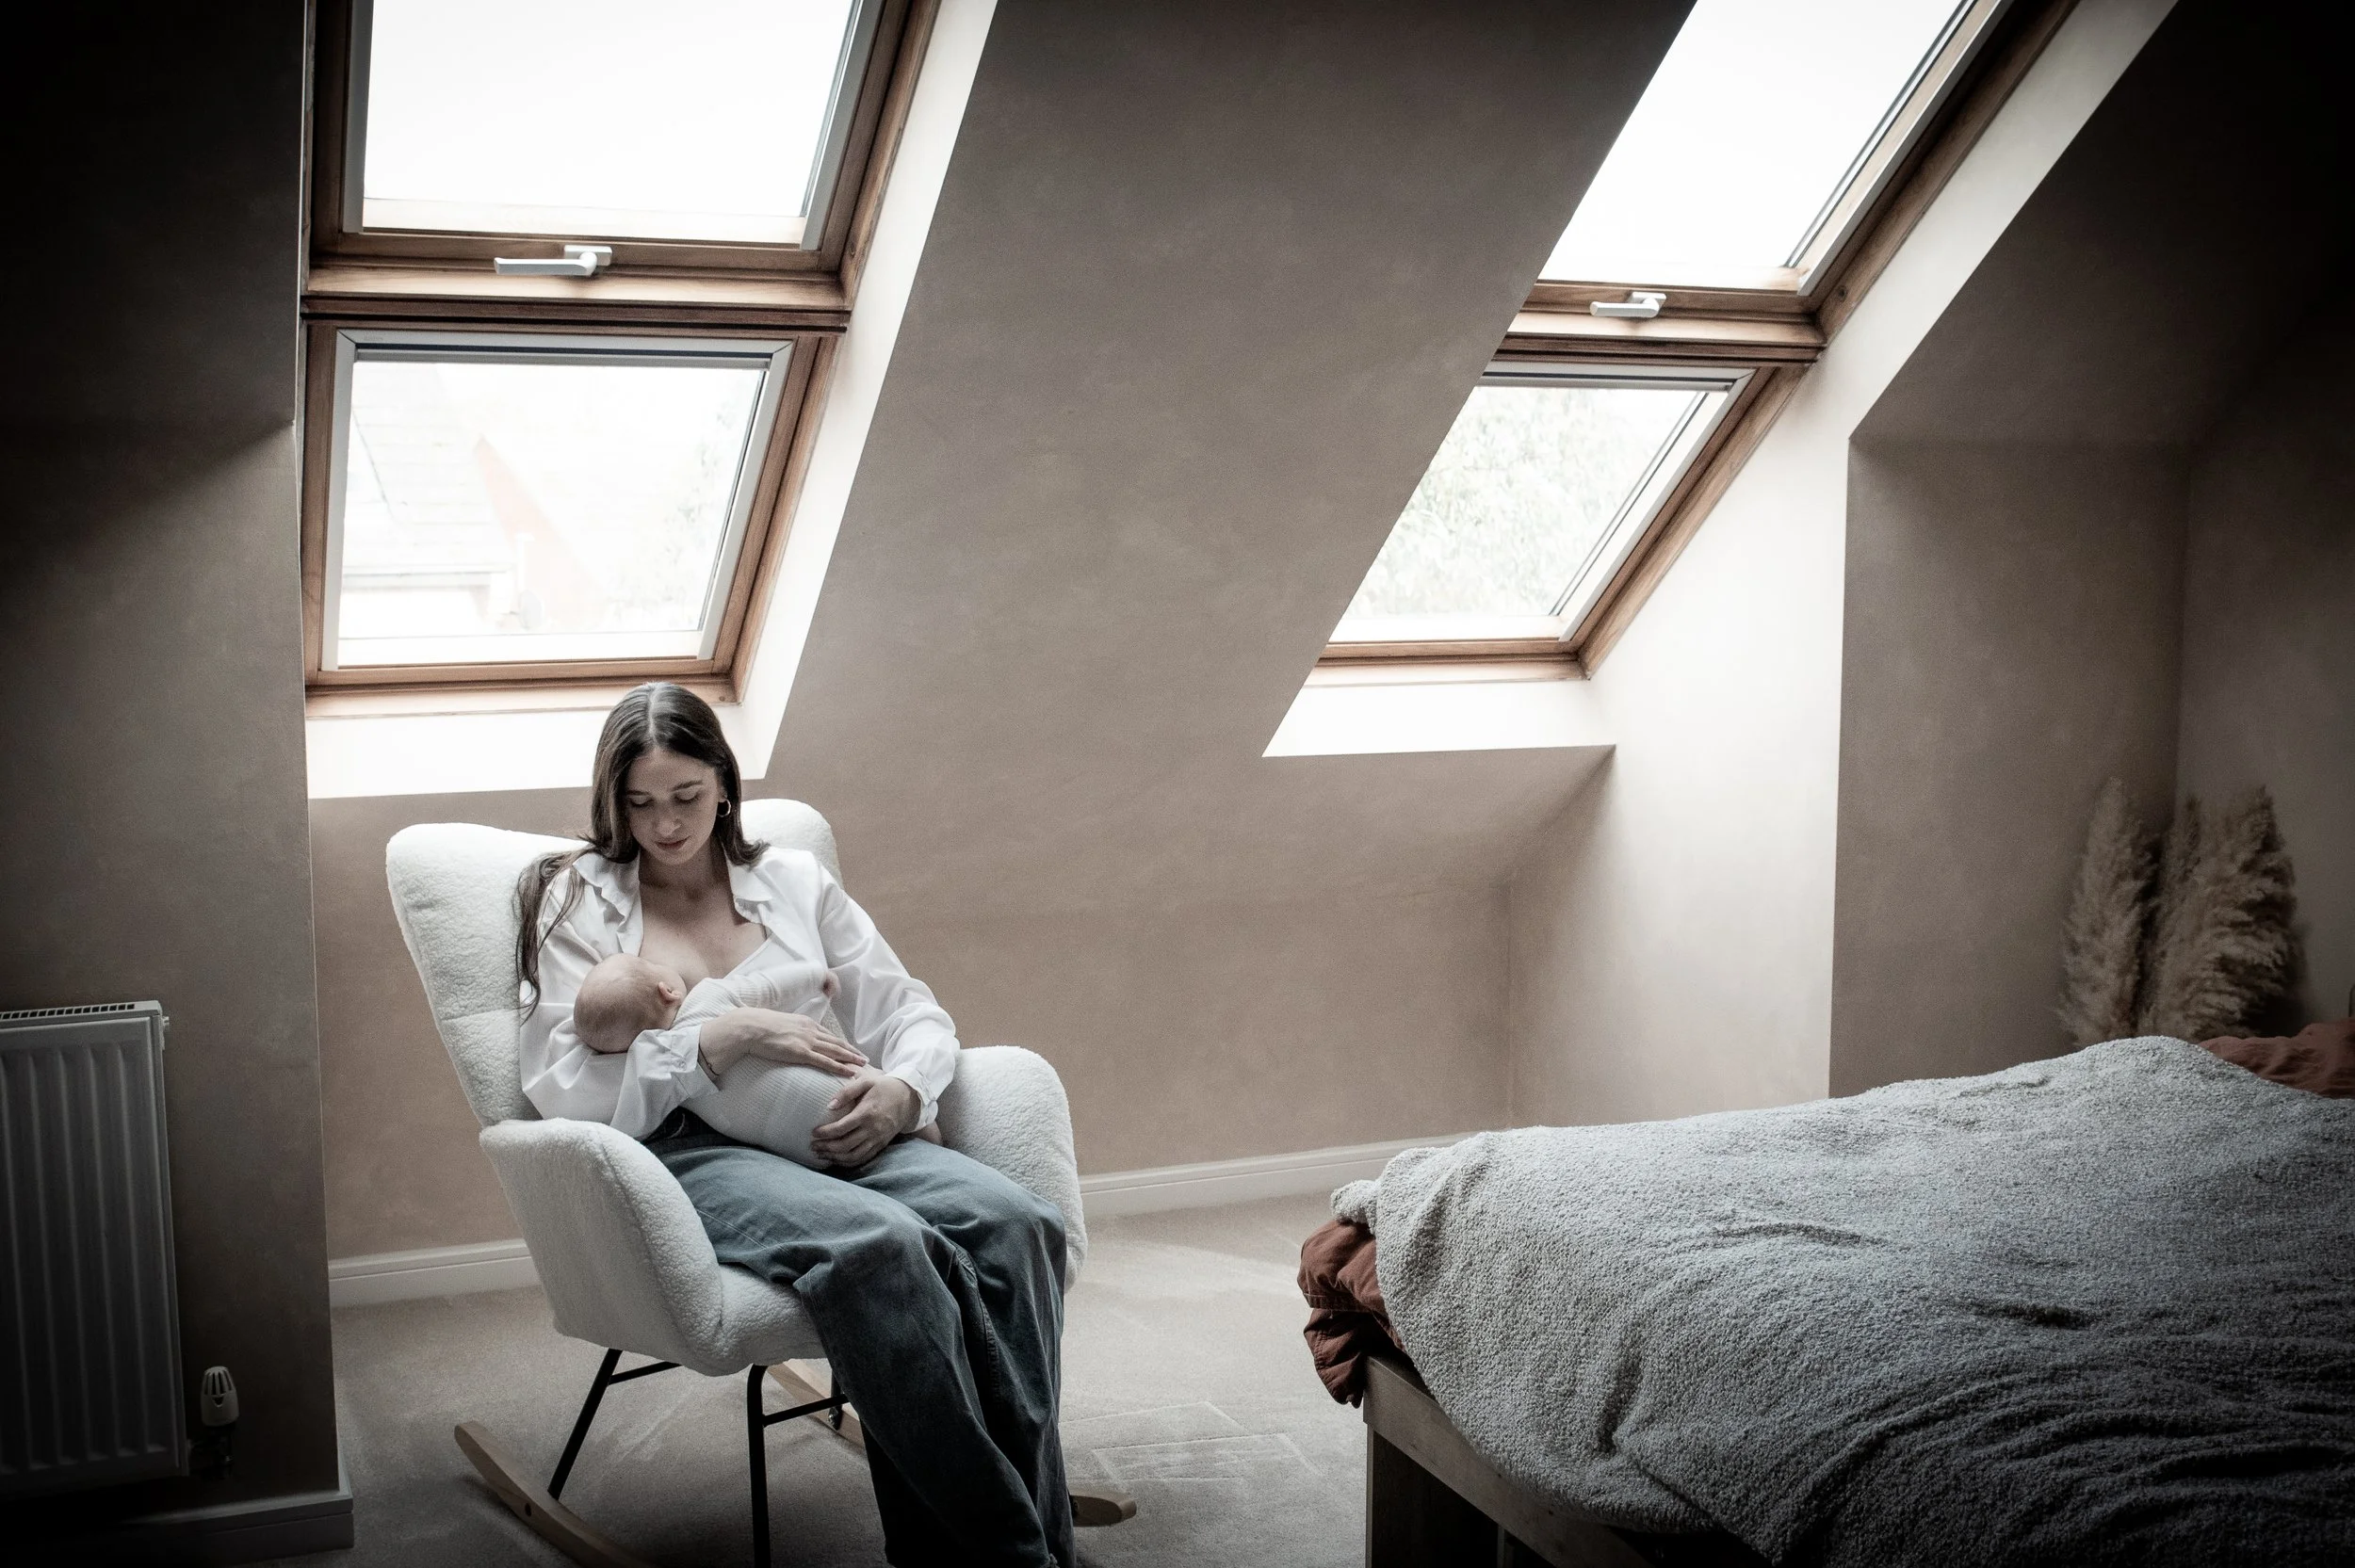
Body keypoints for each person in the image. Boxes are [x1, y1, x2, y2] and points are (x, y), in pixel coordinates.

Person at [514, 682, 1074, 1568]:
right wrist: (719, 1041)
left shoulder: (793, 879)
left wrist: (902, 1091)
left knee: (1017, 1224)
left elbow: (910, 1010)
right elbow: (563, 1083)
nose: (665, 824)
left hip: (834, 1115)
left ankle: (1021, 1526)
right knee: (882, 1247)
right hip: (685, 1149)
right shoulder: (574, 901)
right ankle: (1012, 1554)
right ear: (613, 803)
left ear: (724, 785)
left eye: (687, 797)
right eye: (641, 803)